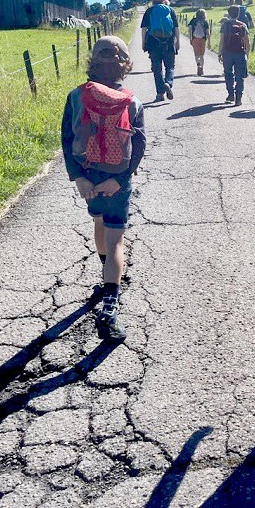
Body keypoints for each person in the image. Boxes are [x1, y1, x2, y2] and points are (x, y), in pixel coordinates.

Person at [61, 36, 147, 341]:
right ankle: (110, 309)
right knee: (116, 242)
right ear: (124, 65)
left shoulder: (75, 96)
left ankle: (105, 272)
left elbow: (66, 139)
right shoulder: (132, 101)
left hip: (88, 177)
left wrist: (79, 177)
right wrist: (120, 180)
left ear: (92, 62)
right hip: (116, 180)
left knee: (98, 223)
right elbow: (139, 146)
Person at [140, 0, 180, 102]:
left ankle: (160, 94)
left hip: (153, 43)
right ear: (164, 0)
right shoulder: (170, 10)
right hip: (169, 42)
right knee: (170, 67)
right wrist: (178, 42)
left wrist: (143, 43)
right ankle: (168, 83)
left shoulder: (150, 10)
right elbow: (176, 28)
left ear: (154, 0)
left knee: (157, 69)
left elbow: (144, 29)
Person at [219, 4, 251, 106]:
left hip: (228, 53)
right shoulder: (243, 25)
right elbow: (247, 42)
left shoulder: (225, 25)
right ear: (238, 14)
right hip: (240, 53)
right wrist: (247, 54)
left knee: (228, 74)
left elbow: (222, 41)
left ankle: (230, 94)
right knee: (239, 76)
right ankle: (238, 99)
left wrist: (220, 53)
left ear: (228, 14)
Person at [188, 9, 210, 76]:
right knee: (202, 55)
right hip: (203, 39)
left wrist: (190, 39)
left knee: (197, 55)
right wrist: (209, 41)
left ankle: (198, 65)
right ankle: (202, 68)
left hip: (195, 39)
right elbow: (207, 32)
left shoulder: (193, 21)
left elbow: (189, 30)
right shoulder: (205, 21)